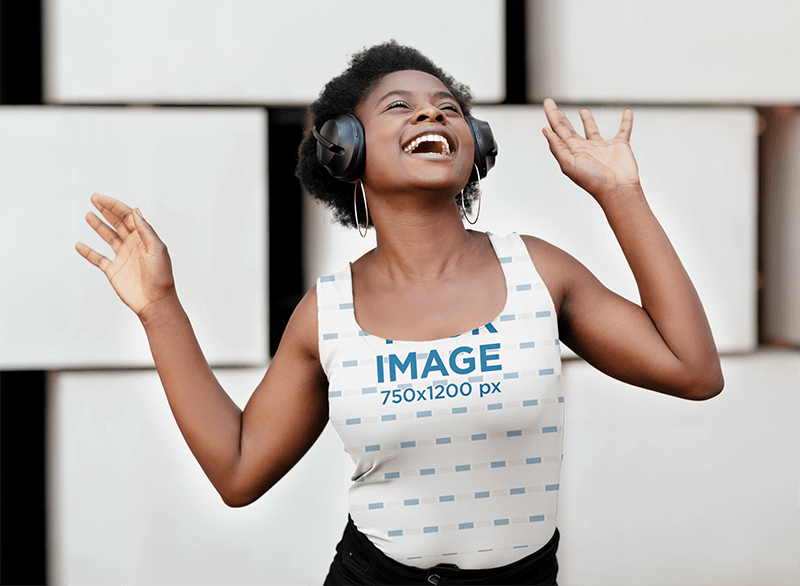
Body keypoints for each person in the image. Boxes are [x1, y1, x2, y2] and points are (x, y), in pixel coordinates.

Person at [75, 41, 723, 585]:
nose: (431, 116)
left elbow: (692, 370)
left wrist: (621, 194)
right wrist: (160, 307)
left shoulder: (540, 272)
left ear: (477, 147)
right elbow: (240, 471)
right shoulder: (327, 312)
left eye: (449, 109)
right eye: (400, 107)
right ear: (345, 150)